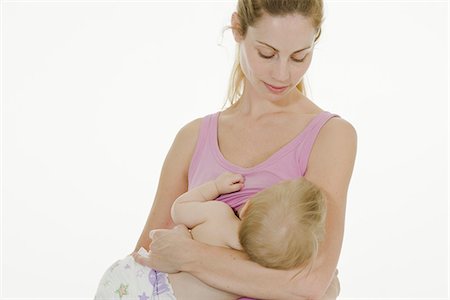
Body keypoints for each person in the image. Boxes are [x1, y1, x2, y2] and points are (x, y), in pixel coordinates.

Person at [132, 0, 357, 299]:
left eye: (299, 57)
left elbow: (311, 282)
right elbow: (142, 265)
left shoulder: (330, 136)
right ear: (238, 29)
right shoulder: (192, 138)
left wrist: (190, 256)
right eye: (267, 53)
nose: (282, 74)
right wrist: (274, 279)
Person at [95, 171, 329, 299]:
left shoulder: (218, 215)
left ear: (247, 207)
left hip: (134, 280)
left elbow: (179, 210)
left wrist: (214, 188)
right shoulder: (254, 276)